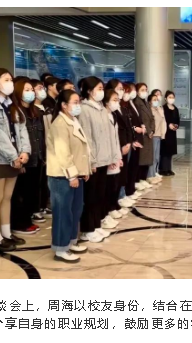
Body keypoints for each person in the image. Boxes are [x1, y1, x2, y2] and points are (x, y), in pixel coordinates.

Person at [0, 68, 31, 252]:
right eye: (6, 79)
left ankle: (6, 233)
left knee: (7, 197)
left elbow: (22, 130)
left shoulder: (13, 105)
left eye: (11, 79)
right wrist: (13, 156)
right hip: (0, 158)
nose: (10, 83)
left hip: (15, 157)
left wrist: (24, 152)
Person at [46, 90, 91, 263]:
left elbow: (82, 149)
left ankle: (71, 241)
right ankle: (60, 248)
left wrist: (84, 170)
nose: (78, 105)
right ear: (64, 105)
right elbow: (63, 153)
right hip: (62, 176)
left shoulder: (73, 120)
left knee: (75, 209)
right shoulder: (59, 124)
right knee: (62, 212)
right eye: (75, 102)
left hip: (75, 174)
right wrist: (72, 175)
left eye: (79, 101)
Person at [78, 76, 117, 242]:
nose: (102, 91)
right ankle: (87, 229)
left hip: (104, 159)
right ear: (89, 91)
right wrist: (91, 161)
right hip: (93, 161)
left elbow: (108, 135)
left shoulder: (101, 108)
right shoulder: (84, 110)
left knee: (100, 195)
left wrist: (112, 156)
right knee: (90, 197)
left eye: (102, 88)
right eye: (99, 89)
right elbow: (87, 138)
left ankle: (96, 225)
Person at [10, 79, 46, 236]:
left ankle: (27, 219)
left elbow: (41, 136)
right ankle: (19, 223)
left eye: (32, 89)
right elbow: (16, 138)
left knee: (32, 191)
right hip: (24, 159)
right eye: (27, 90)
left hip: (37, 157)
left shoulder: (35, 112)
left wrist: (43, 156)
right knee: (20, 194)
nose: (31, 92)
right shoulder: (15, 111)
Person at [106, 79, 133, 212]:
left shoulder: (121, 108)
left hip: (124, 145)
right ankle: (113, 204)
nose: (122, 92)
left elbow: (127, 127)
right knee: (113, 179)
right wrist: (122, 145)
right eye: (119, 88)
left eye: (123, 89)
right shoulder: (109, 111)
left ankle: (119, 198)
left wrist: (129, 142)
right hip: (116, 148)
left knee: (121, 174)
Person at [103, 89, 127, 220]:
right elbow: (105, 140)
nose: (117, 102)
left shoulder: (113, 115)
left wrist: (118, 156)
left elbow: (115, 138)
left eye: (118, 100)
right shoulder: (103, 116)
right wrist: (111, 157)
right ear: (106, 101)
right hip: (107, 157)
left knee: (115, 184)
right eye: (114, 100)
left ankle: (112, 206)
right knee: (108, 186)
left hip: (115, 155)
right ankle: (107, 211)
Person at [31, 79, 51, 222]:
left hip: (45, 149)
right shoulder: (32, 110)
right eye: (39, 88)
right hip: (36, 151)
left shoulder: (46, 108)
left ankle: (43, 206)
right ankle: (35, 209)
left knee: (43, 181)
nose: (42, 90)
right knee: (35, 183)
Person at [122, 83, 144, 203]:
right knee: (128, 168)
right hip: (128, 141)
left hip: (135, 138)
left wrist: (142, 126)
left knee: (134, 165)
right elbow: (128, 125)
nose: (132, 92)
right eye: (129, 90)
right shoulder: (123, 106)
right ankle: (126, 192)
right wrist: (135, 130)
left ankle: (131, 189)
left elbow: (136, 119)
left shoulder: (132, 103)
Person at [133, 82, 155, 191]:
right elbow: (141, 120)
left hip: (149, 134)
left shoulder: (146, 103)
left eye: (146, 90)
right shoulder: (136, 103)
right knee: (142, 158)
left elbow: (152, 118)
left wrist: (152, 130)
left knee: (147, 158)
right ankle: (138, 180)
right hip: (143, 134)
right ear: (137, 91)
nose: (145, 92)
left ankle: (143, 178)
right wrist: (148, 131)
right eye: (142, 90)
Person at [160, 90, 180, 176]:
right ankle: (163, 169)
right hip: (165, 132)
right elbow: (162, 120)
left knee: (170, 152)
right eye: (170, 97)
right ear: (165, 98)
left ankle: (169, 169)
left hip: (172, 133)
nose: (171, 99)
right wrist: (168, 125)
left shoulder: (175, 109)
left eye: (173, 97)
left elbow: (178, 120)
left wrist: (176, 125)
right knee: (165, 151)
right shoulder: (163, 108)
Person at [148, 93, 166, 184]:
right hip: (153, 136)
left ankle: (155, 172)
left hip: (158, 135)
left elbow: (163, 121)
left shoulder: (159, 109)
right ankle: (150, 175)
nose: (156, 101)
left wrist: (162, 134)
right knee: (152, 157)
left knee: (156, 157)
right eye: (154, 100)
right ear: (149, 102)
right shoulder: (149, 111)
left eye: (157, 100)